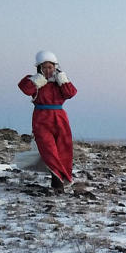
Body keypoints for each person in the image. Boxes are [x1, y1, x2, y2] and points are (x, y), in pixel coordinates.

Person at [18, 51, 78, 191]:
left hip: (60, 118)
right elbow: (25, 89)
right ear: (39, 68)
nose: (48, 70)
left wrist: (63, 79)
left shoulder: (60, 82)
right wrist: (37, 80)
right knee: (49, 151)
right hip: (41, 118)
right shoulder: (33, 80)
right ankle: (58, 182)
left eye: (50, 67)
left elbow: (71, 93)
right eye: (44, 67)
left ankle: (60, 181)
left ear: (55, 67)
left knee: (64, 150)